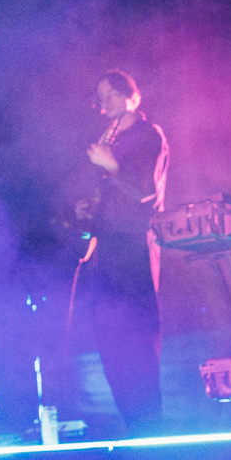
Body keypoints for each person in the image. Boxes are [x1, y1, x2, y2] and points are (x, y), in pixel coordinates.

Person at [74, 69, 169, 437]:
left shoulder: (148, 134)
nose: (104, 103)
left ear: (132, 97)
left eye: (112, 94)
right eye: (101, 96)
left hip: (134, 246)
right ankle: (133, 424)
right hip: (108, 247)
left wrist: (110, 163)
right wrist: (90, 208)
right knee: (109, 336)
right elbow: (115, 191)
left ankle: (150, 427)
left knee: (137, 337)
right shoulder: (110, 136)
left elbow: (146, 190)